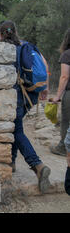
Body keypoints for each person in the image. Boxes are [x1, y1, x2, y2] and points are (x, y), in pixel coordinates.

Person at [0, 20, 51, 193]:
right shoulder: (26, 45)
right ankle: (12, 162)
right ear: (15, 31)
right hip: (28, 96)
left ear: (1, 34)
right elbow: (44, 65)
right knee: (16, 128)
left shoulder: (2, 50)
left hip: (13, 97)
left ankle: (38, 166)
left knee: (17, 131)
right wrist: (46, 88)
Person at [49, 28, 70, 195]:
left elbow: (64, 77)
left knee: (66, 122)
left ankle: (63, 147)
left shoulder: (67, 54)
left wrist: (57, 96)